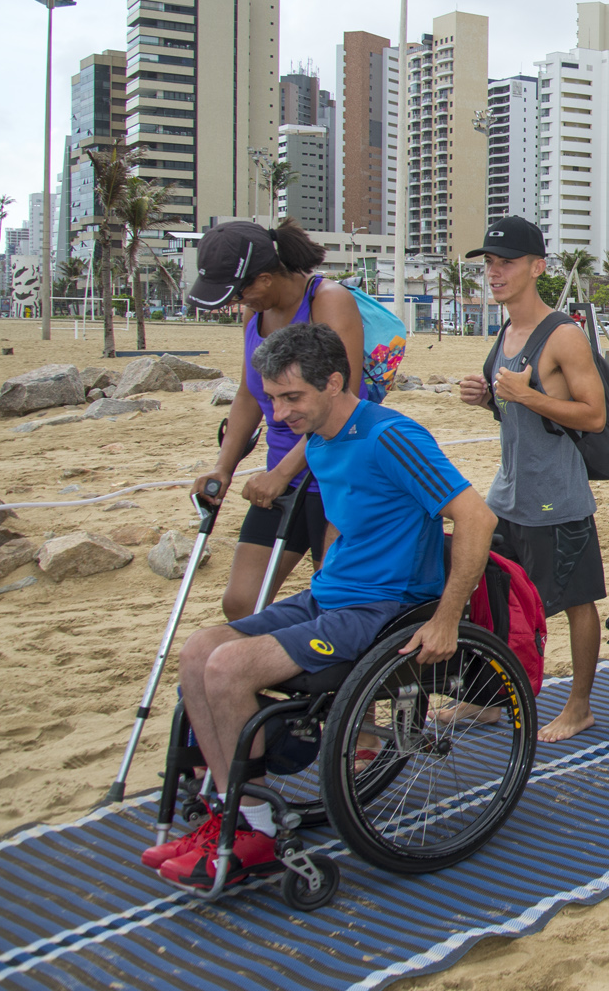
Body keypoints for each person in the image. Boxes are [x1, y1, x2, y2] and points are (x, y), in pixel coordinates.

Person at [146, 322, 495, 887]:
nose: (280, 414)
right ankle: (235, 815)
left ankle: (253, 830)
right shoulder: (322, 440)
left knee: (229, 667)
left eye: (292, 397)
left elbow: (477, 517)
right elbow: (343, 520)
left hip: (385, 607)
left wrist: (446, 618)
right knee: (197, 651)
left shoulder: (391, 437)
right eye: (273, 399)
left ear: (334, 382)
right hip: (332, 596)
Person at [457, 217, 609, 743]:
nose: (494, 273)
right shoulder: (505, 332)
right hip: (507, 495)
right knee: (492, 596)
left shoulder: (563, 335)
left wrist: (524, 394)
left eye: (507, 262)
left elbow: (594, 416)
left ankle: (580, 706)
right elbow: (520, 415)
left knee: (575, 602)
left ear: (537, 267)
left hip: (557, 499)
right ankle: (486, 700)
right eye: (489, 263)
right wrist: (489, 399)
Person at [189, 219, 365, 622]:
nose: (239, 302)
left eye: (238, 293)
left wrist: (282, 474)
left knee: (335, 601)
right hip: (282, 473)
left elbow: (343, 403)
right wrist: (223, 468)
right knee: (241, 603)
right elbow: (248, 394)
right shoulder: (255, 314)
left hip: (339, 474)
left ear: (265, 279)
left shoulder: (328, 301)